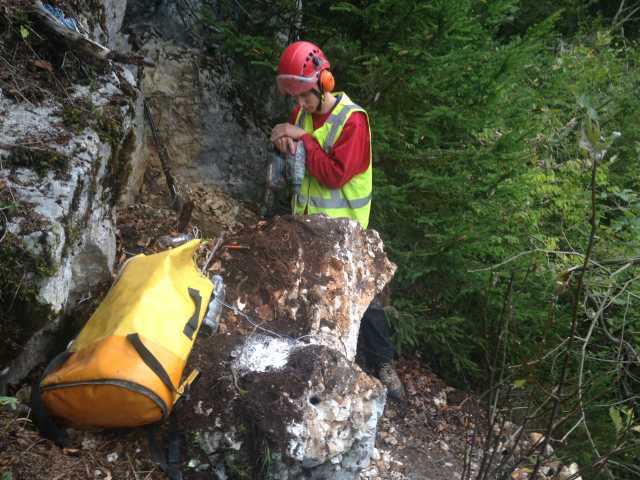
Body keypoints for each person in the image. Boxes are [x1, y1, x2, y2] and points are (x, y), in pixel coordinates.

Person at [270, 40, 403, 399]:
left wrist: (302, 140)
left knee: (363, 297)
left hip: (345, 230)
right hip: (308, 225)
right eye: (294, 98)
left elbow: (334, 174)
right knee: (308, 293)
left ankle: (384, 365)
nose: (299, 105)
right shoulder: (303, 115)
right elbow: (302, 155)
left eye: (304, 97)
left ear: (323, 83)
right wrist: (284, 143)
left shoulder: (353, 121)